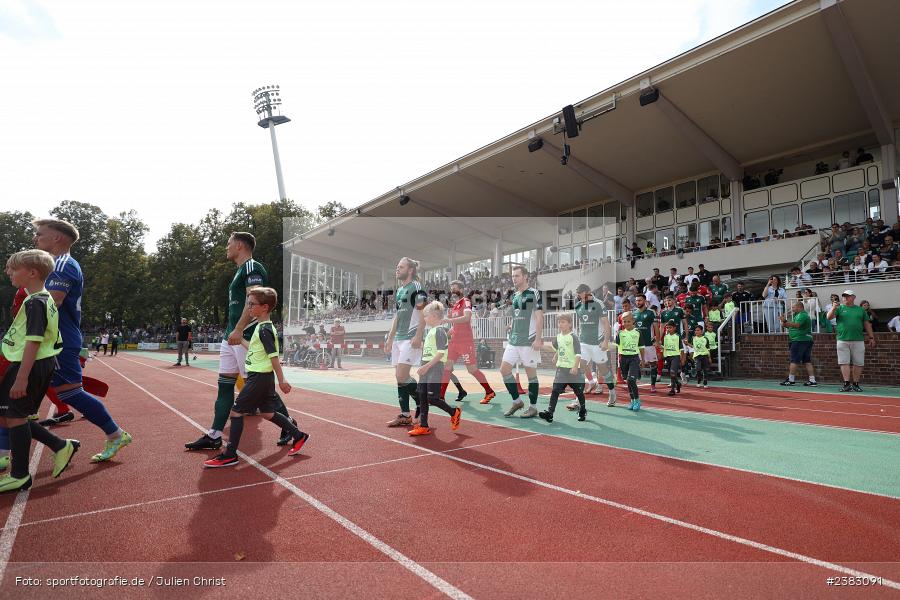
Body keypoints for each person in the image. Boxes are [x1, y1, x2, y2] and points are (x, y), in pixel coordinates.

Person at [32, 218, 132, 462]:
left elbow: (52, 302)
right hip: (52, 339)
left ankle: (115, 434)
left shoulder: (63, 264)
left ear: (57, 238)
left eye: (40, 234)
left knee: (69, 393)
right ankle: (9, 450)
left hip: (59, 339)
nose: (35, 239)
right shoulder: (54, 264)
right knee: (25, 394)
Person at [186, 232, 296, 450]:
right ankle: (215, 435)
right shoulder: (240, 271)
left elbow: (251, 301)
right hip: (232, 336)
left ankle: (290, 425)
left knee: (262, 390)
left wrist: (238, 329)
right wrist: (231, 331)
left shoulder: (252, 268)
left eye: (228, 244)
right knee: (224, 386)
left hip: (245, 336)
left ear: (239, 246)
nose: (226, 248)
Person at [0, 250, 79, 492]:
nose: (9, 272)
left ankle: (20, 474)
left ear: (32, 273)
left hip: (28, 366)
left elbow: (34, 341)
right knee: (13, 416)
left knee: (14, 417)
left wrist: (21, 378)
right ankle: (59, 445)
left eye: (13, 269)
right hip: (30, 364)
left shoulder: (37, 301)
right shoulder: (39, 298)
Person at [203, 288, 309, 467]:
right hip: (260, 376)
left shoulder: (265, 329)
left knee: (236, 412)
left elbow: (273, 356)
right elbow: (254, 348)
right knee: (267, 412)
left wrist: (282, 380)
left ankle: (230, 454)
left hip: (259, 378)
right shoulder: (261, 327)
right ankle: (299, 435)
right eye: (248, 303)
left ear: (265, 307)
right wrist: (238, 340)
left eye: (252, 304)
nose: (249, 307)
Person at [408, 302, 462, 436]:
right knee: (422, 397)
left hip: (434, 367)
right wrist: (420, 346)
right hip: (426, 367)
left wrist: (426, 366)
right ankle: (424, 426)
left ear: (433, 316)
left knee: (432, 398)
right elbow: (431, 350)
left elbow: (440, 353)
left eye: (425, 316)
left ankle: (454, 412)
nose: (424, 319)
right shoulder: (431, 331)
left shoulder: (439, 331)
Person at [384, 257, 426, 427]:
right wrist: (390, 337)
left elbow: (424, 312)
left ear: (410, 270)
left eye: (400, 267)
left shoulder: (416, 287)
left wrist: (418, 335)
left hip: (410, 337)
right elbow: (397, 316)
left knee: (402, 375)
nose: (397, 269)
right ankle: (405, 414)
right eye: (396, 266)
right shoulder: (400, 290)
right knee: (400, 378)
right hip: (398, 339)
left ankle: (422, 402)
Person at [440, 281, 495, 404]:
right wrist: (443, 335)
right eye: (451, 288)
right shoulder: (455, 306)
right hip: (454, 342)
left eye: (454, 288)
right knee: (447, 367)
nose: (452, 290)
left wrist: (448, 319)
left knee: (472, 370)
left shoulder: (466, 301)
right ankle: (441, 396)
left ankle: (489, 391)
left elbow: (467, 318)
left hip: (465, 342)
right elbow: (454, 326)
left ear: (460, 289)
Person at [500, 266, 543, 418]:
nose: (514, 278)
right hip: (514, 339)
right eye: (513, 276)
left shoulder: (534, 293)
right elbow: (518, 314)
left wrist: (538, 338)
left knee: (531, 375)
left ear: (525, 276)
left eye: (517, 275)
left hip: (528, 340)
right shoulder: (516, 296)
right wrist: (512, 324)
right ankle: (517, 401)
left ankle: (533, 407)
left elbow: (539, 316)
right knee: (504, 370)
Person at [568, 284, 614, 409]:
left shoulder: (598, 303)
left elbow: (606, 324)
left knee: (604, 370)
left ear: (588, 292)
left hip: (597, 343)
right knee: (579, 368)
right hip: (583, 343)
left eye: (581, 295)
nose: (579, 298)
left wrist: (605, 341)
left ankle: (612, 392)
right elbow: (580, 324)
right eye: (578, 296)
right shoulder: (578, 305)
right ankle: (577, 400)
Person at [539, 314, 587, 423]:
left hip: (573, 370)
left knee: (579, 393)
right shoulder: (558, 337)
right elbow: (558, 348)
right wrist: (555, 356)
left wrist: (575, 367)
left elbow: (578, 354)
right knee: (555, 390)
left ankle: (583, 411)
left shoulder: (573, 337)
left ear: (569, 324)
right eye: (559, 322)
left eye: (563, 322)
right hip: (561, 369)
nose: (560, 324)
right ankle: (550, 413)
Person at [827, 290, 875, 393]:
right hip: (842, 340)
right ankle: (846, 384)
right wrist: (833, 307)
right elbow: (829, 317)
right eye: (843, 296)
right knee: (844, 362)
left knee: (858, 363)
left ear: (853, 297)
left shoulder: (860, 310)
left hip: (858, 340)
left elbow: (867, 324)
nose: (844, 298)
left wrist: (871, 337)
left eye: (847, 296)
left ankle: (856, 384)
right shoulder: (839, 308)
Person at [779, 301, 817, 387]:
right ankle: (812, 380)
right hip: (804, 340)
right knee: (807, 361)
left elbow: (797, 325)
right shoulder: (797, 315)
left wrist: (785, 320)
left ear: (799, 307)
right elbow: (791, 325)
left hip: (800, 340)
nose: (792, 309)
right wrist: (784, 323)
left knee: (794, 360)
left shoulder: (802, 315)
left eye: (793, 307)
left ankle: (791, 379)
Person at [616, 312, 643, 411]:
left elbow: (641, 347)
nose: (626, 323)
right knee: (628, 381)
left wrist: (642, 359)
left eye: (628, 321)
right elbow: (617, 346)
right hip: (623, 358)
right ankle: (632, 400)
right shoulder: (620, 333)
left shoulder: (638, 332)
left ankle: (637, 400)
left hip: (634, 358)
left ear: (633, 321)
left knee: (631, 380)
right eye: (624, 321)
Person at [633, 294, 659, 392]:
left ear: (644, 301)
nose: (637, 302)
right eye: (636, 301)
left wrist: (657, 341)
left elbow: (656, 327)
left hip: (649, 343)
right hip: (636, 345)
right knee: (635, 363)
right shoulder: (634, 313)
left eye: (639, 300)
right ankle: (635, 381)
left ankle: (653, 385)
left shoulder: (651, 312)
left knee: (653, 363)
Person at [661, 321, 684, 396]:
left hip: (675, 356)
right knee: (671, 374)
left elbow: (681, 349)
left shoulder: (677, 336)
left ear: (674, 328)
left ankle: (672, 390)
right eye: (667, 328)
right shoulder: (665, 337)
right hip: (668, 357)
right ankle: (678, 384)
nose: (668, 329)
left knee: (672, 372)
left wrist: (682, 358)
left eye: (670, 327)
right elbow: (664, 347)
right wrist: (662, 353)